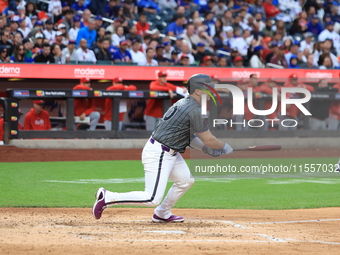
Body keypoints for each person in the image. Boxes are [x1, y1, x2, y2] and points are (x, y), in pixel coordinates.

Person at [92, 74, 233, 222]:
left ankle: (162, 213)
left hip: (170, 151)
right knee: (151, 198)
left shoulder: (186, 103)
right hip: (159, 152)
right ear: (197, 91)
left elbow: (189, 137)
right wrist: (224, 146)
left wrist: (205, 148)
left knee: (186, 181)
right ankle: (108, 197)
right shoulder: (194, 109)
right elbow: (209, 139)